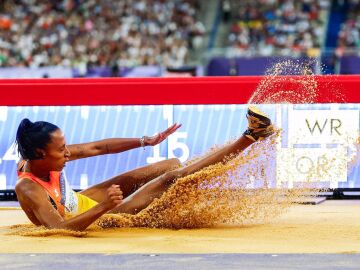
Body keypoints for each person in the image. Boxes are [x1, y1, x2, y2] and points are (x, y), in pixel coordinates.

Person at [15, 106, 274, 231]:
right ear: (40, 154)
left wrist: (145, 141)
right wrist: (105, 206)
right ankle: (251, 136)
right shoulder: (28, 187)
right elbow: (59, 230)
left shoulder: (45, 158)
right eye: (61, 150)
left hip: (82, 202)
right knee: (170, 179)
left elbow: (99, 148)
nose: (68, 153)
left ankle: (209, 164)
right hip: (96, 219)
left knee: (170, 165)